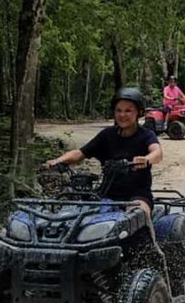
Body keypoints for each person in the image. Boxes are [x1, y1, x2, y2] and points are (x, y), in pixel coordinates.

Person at [45, 87, 163, 215]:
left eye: (128, 110)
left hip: (138, 195)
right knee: (81, 217)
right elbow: (80, 153)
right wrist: (58, 161)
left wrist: (146, 159)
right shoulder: (107, 135)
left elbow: (157, 153)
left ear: (138, 112)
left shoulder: (146, 135)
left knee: (138, 215)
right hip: (107, 196)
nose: (122, 115)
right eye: (119, 110)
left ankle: (149, 235)